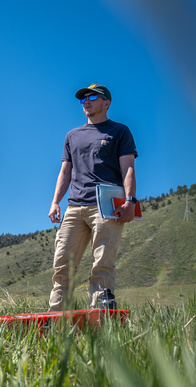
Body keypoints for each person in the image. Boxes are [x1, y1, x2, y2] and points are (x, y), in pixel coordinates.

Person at [47, 83, 138, 311]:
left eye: (92, 97)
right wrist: (55, 201)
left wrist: (130, 201)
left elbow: (128, 168)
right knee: (62, 265)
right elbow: (65, 172)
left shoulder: (120, 131)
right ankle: (56, 318)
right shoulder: (72, 135)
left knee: (102, 263)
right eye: (83, 99)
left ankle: (100, 318)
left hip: (107, 206)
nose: (86, 102)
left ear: (106, 103)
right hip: (75, 207)